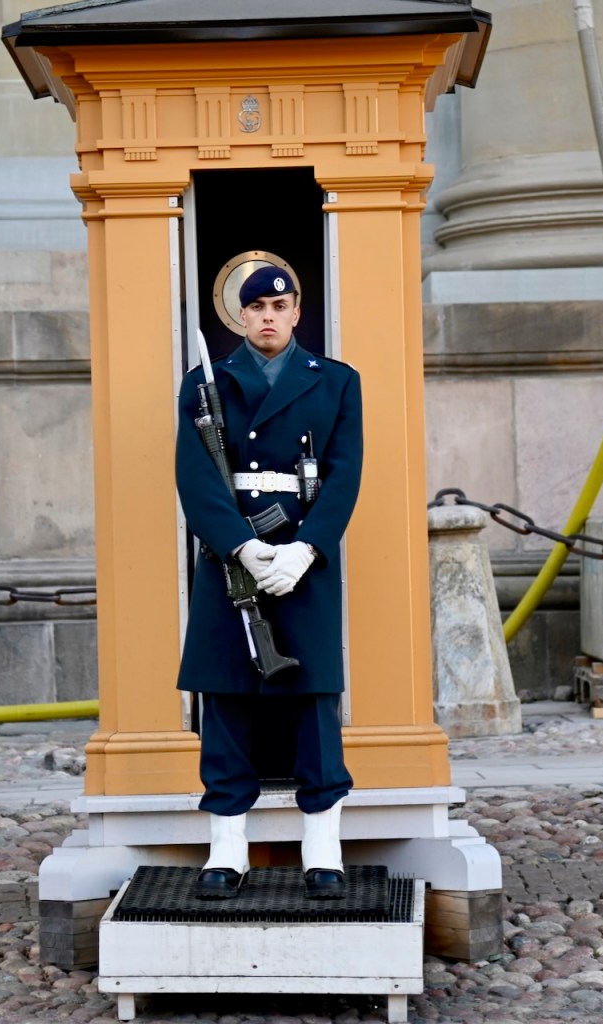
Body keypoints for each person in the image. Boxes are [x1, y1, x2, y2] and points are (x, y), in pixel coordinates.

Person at [175, 265, 363, 901]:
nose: (268, 317)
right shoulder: (206, 384)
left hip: (303, 560)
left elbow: (343, 475)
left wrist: (307, 549)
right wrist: (244, 547)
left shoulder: (336, 382)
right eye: (255, 307)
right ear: (240, 316)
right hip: (233, 558)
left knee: (314, 703)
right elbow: (196, 481)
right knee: (226, 698)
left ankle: (323, 848)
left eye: (279, 305)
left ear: (297, 309)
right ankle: (227, 849)